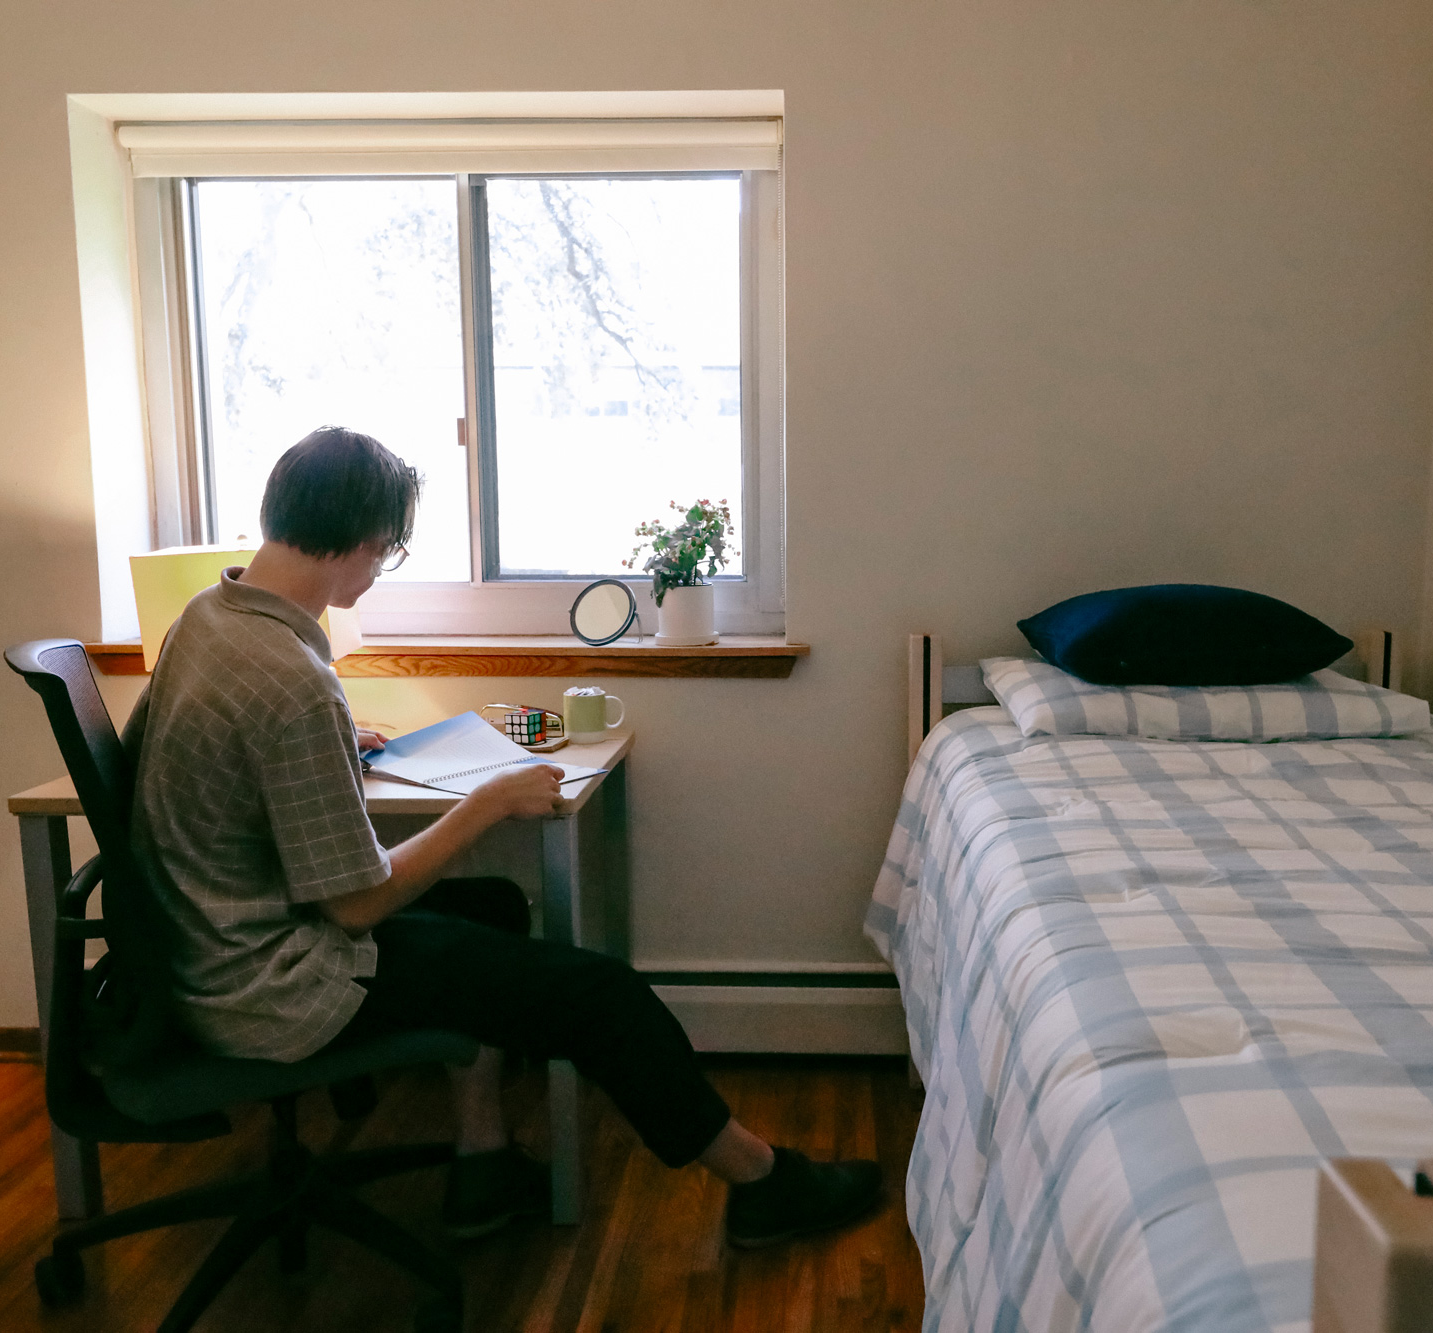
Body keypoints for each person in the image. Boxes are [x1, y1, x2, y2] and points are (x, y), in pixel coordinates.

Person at [124, 425, 880, 1245]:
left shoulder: (207, 619)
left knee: (489, 906)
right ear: (367, 539)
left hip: (197, 952)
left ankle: (482, 1162)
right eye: (388, 550)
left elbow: (223, 768)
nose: (381, 569)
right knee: (602, 995)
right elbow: (355, 904)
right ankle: (761, 1179)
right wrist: (486, 802)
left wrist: (336, 745)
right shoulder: (293, 681)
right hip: (276, 985)